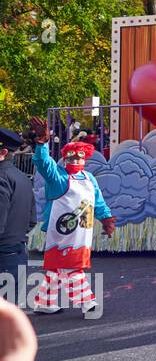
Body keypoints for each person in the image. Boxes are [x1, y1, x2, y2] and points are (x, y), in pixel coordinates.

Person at [26, 118, 112, 317]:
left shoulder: (89, 178)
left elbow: (96, 200)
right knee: (72, 267)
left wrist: (106, 218)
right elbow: (43, 163)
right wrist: (41, 143)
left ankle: (44, 302)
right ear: (65, 159)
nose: (75, 161)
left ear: (85, 158)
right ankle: (87, 302)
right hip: (62, 232)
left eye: (79, 157)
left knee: (57, 269)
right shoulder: (58, 177)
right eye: (71, 158)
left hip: (82, 230)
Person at [0, 129, 35, 301]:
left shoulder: (1, 177)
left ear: (3, 152)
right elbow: (32, 219)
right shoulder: (22, 178)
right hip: (18, 250)